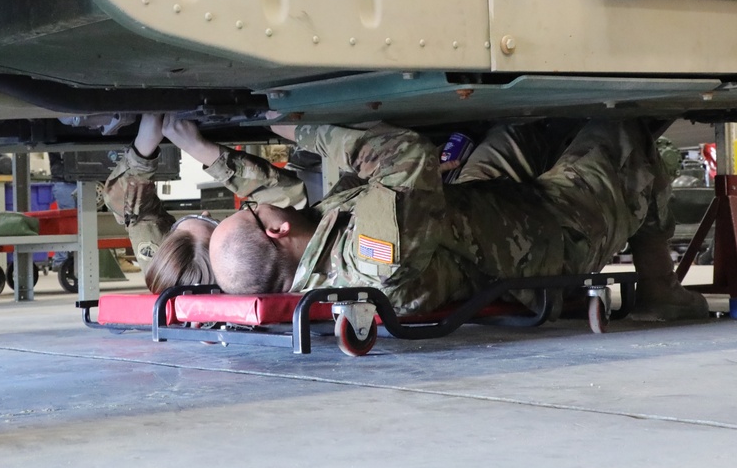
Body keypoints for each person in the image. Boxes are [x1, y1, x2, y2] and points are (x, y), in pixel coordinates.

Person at [208, 118, 709, 321]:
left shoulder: (319, 254)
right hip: (547, 239)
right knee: (621, 127)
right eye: (253, 212)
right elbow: (407, 156)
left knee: (524, 125)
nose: (256, 202)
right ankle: (659, 287)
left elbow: (282, 190)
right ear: (275, 231)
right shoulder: (367, 264)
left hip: (485, 215)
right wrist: (311, 130)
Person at [103, 114, 308, 292]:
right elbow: (288, 200)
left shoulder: (169, 265)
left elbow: (131, 211)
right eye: (215, 227)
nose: (206, 213)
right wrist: (199, 148)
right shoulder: (256, 267)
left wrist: (143, 149)